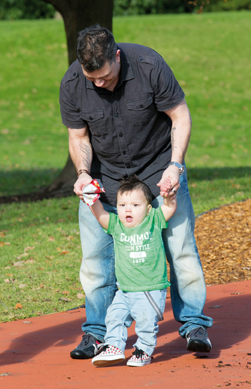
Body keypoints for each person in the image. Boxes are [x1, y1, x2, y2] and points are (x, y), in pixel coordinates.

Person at [59, 24, 213, 360]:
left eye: (104, 76)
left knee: (181, 250)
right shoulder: (73, 84)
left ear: (116, 55)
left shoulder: (149, 65)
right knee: (96, 262)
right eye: (92, 78)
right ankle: (97, 333)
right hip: (105, 179)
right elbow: (79, 138)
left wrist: (176, 165)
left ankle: (193, 324)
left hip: (159, 170)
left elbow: (180, 115)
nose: (98, 84)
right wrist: (83, 174)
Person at [86, 175, 176, 367]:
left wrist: (169, 195)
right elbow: (101, 214)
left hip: (149, 288)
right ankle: (114, 347)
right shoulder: (116, 225)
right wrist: (91, 200)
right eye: (122, 205)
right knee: (114, 317)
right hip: (124, 290)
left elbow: (169, 208)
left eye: (135, 205)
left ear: (148, 208)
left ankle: (144, 350)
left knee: (145, 323)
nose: (128, 209)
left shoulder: (153, 219)